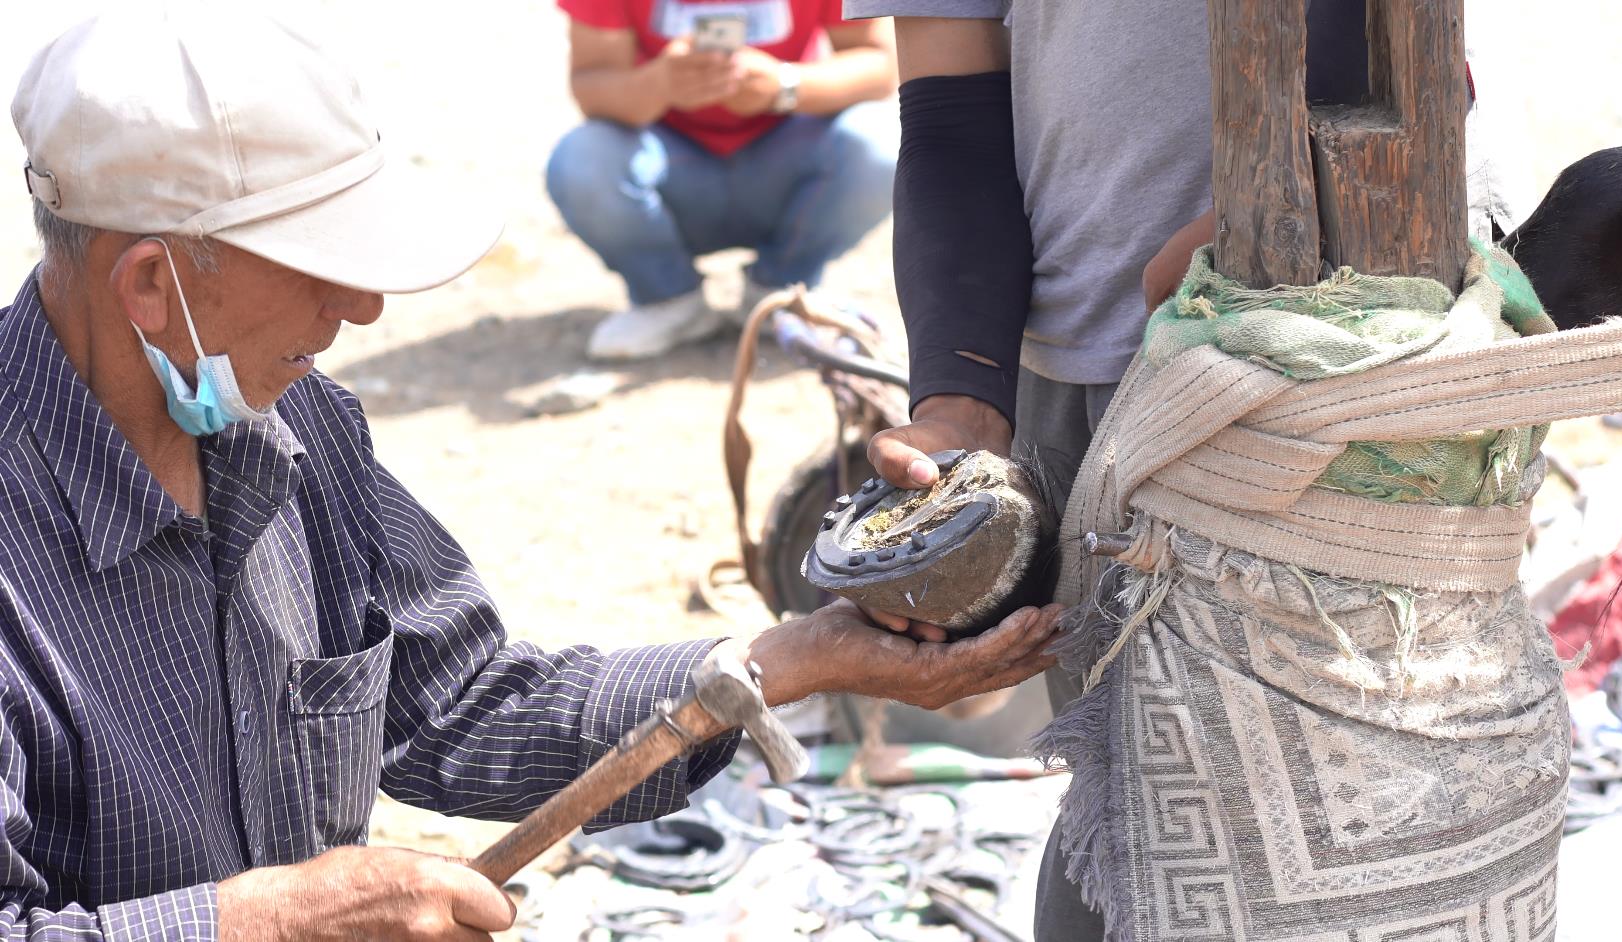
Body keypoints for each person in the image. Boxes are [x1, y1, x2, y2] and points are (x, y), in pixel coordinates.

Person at [0, 6, 1061, 938]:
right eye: (325, 268)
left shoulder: (297, 428)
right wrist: (260, 923)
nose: (363, 309)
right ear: (151, 281)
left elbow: (459, 706)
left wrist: (794, 659)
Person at [841, 3, 1521, 940]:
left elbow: (1406, 61)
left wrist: (1260, 224)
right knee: (1134, 798)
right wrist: (963, 398)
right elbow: (952, 112)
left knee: (1373, 787)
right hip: (1082, 369)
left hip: (1355, 326)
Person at [545, 0, 899, 361]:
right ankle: (669, 299)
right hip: (667, 166)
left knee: (882, 140)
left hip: (786, 154)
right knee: (583, 159)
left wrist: (784, 86)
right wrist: (659, 83)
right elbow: (591, 83)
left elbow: (879, 64)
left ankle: (783, 292)